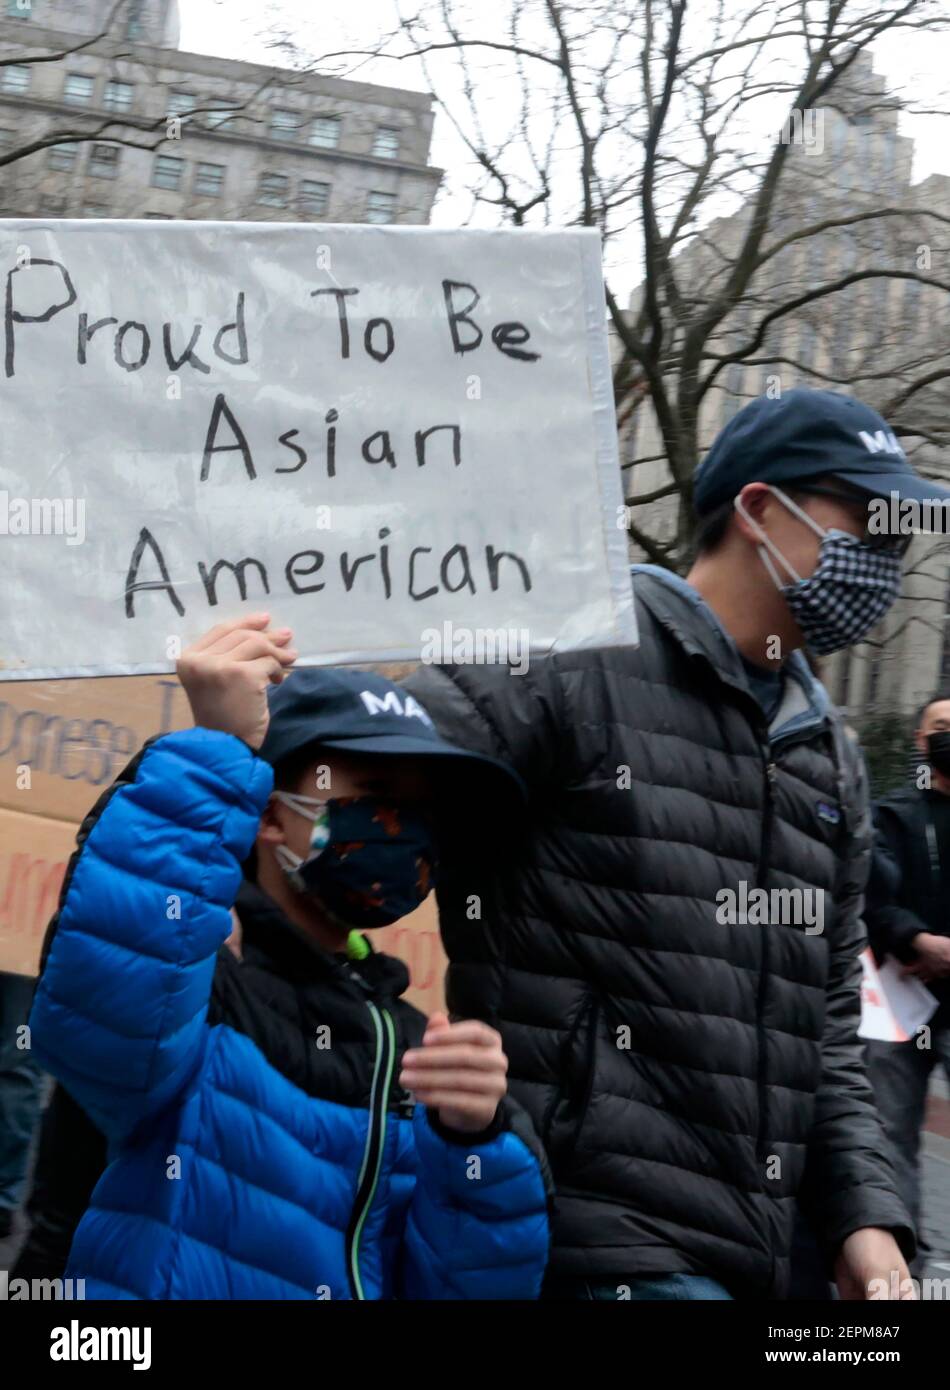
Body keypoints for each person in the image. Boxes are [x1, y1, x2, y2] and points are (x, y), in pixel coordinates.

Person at [405, 387, 946, 1300]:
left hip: (754, 1260)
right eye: (868, 524)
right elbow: (350, 797)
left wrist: (866, 1220)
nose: (887, 562)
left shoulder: (833, 761)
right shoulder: (570, 654)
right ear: (759, 510)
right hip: (580, 1235)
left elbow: (827, 1037)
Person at [27, 618, 550, 1300]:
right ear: (271, 814)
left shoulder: (416, 1045)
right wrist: (217, 747)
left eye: (425, 811)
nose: (405, 829)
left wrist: (475, 1143)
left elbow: (468, 1289)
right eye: (378, 793)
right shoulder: (198, 977)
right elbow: (105, 1003)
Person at [863, 692, 950, 1248]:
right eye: (940, 726)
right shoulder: (892, 814)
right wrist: (915, 938)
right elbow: (868, 893)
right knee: (890, 1134)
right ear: (921, 741)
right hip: (903, 997)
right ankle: (901, 1266)